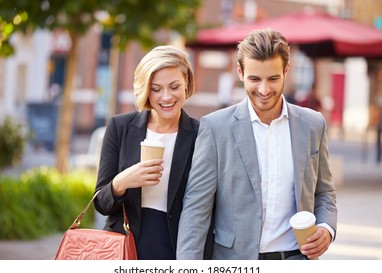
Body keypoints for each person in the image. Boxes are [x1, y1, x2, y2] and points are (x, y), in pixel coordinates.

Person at [177, 28, 337, 260]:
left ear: (286, 70)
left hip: (295, 260)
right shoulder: (215, 128)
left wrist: (326, 228)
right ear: (240, 72)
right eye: (254, 79)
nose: (263, 90)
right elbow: (195, 209)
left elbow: (324, 192)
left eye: (273, 78)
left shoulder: (313, 124)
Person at [93, 45, 212, 260]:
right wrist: (122, 182)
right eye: (156, 89)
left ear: (186, 81)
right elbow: (101, 203)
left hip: (178, 250)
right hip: (124, 248)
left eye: (174, 86)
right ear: (146, 89)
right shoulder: (120, 127)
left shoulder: (202, 134)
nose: (166, 97)